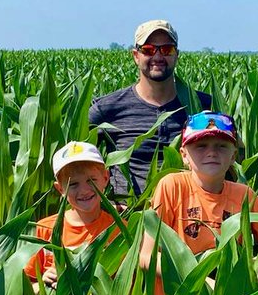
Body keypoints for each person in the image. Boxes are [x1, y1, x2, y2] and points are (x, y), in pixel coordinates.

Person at [141, 111, 258, 295]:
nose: (212, 152)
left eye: (221, 146)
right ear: (184, 155)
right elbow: (145, 257)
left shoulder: (244, 196)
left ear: (233, 155)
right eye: (201, 146)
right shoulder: (172, 187)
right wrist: (202, 282)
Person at [89, 20, 212, 197]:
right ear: (135, 55)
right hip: (128, 216)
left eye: (167, 49)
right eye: (148, 49)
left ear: (177, 54)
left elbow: (232, 158)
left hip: (187, 214)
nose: (158, 56)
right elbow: (76, 164)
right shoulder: (107, 108)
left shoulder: (202, 105)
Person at [24, 141, 117, 295]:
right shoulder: (44, 229)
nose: (84, 190)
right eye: (73, 184)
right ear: (59, 188)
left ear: (105, 178)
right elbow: (23, 291)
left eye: (91, 180)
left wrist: (74, 288)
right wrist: (43, 283)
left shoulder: (119, 231)